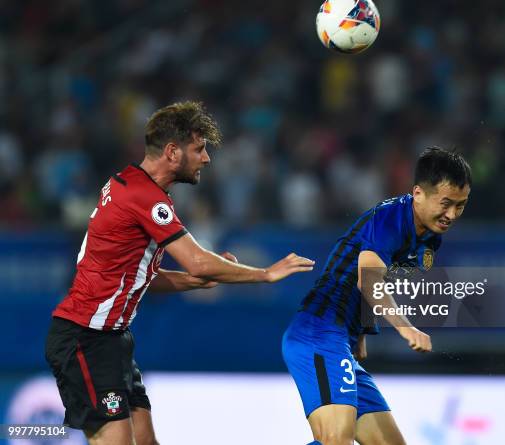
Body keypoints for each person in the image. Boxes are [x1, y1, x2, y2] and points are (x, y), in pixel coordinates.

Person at [45, 101, 315, 445]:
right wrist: (264, 274)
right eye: (199, 149)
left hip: (113, 340)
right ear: (172, 152)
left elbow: (139, 279)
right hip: (84, 338)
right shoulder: (145, 197)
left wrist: (198, 281)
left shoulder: (128, 183)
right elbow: (198, 261)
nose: (206, 158)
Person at [282, 147, 471, 445]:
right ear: (418, 193)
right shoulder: (390, 219)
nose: (451, 214)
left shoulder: (429, 237)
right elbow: (368, 281)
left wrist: (361, 334)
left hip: (340, 340)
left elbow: (377, 279)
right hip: (318, 333)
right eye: (445, 203)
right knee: (337, 440)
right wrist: (406, 327)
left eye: (460, 205)